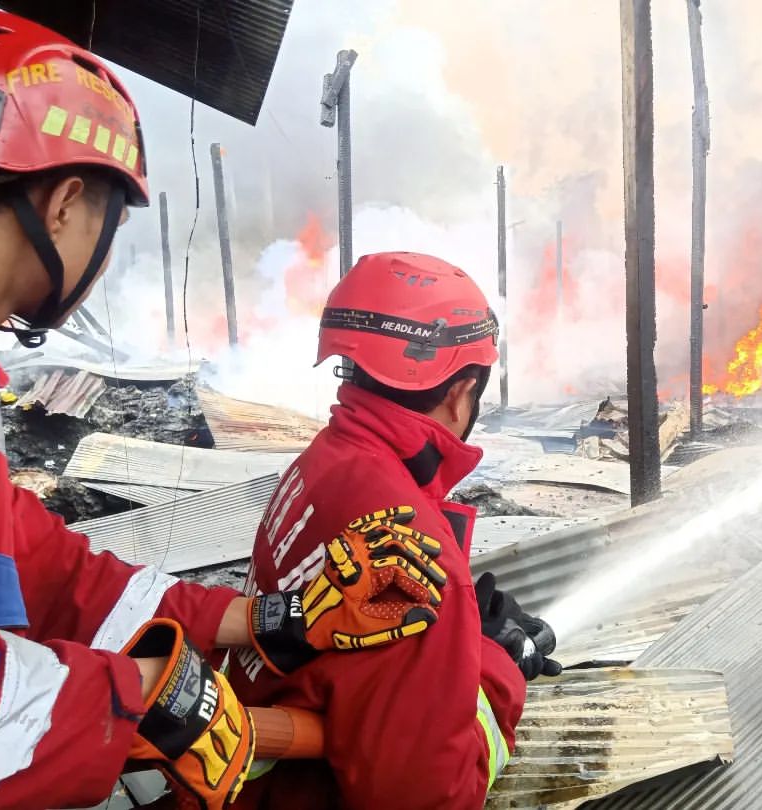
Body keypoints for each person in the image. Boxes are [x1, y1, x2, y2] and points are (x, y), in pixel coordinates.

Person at [0, 8, 448, 809]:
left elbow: (51, 573)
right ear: (62, 203)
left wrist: (273, 621)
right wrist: (134, 702)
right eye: (108, 220)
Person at [228, 251, 562, 810]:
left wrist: (462, 644)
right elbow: (433, 797)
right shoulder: (418, 559)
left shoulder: (324, 464)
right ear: (461, 392)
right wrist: (500, 670)